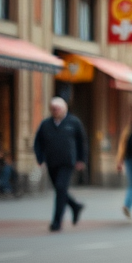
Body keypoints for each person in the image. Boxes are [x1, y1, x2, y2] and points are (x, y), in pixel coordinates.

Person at [33, 97, 86, 232]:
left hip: (67, 162)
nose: (55, 111)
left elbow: (82, 142)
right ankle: (75, 206)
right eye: (52, 109)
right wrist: (40, 158)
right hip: (51, 162)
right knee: (59, 190)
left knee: (61, 188)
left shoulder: (73, 122)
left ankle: (57, 222)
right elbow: (38, 142)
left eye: (57, 109)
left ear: (64, 109)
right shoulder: (46, 124)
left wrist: (81, 160)